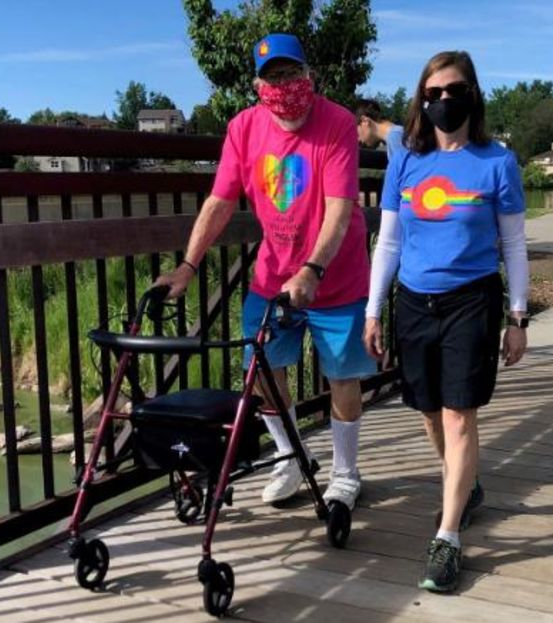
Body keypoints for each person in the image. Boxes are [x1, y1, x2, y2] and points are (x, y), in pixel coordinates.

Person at [155, 33, 375, 511]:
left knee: (341, 373)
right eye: (272, 76)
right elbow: (219, 201)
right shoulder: (243, 128)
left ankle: (345, 473)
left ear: (307, 74)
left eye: (290, 72)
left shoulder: (336, 123)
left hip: (335, 276)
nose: (283, 84)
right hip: (273, 275)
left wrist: (313, 269)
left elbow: (339, 208)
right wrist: (188, 266)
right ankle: (290, 456)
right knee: (262, 369)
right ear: (258, 83)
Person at [363, 50, 529, 593]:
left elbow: (513, 244)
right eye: (431, 94)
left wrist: (517, 315)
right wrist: (372, 308)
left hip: (470, 302)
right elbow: (387, 241)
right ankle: (465, 482)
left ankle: (448, 534)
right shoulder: (407, 162)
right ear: (421, 100)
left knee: (459, 417)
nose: (442, 102)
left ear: (472, 94)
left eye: (452, 91)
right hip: (414, 301)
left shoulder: (496, 161)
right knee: (429, 412)